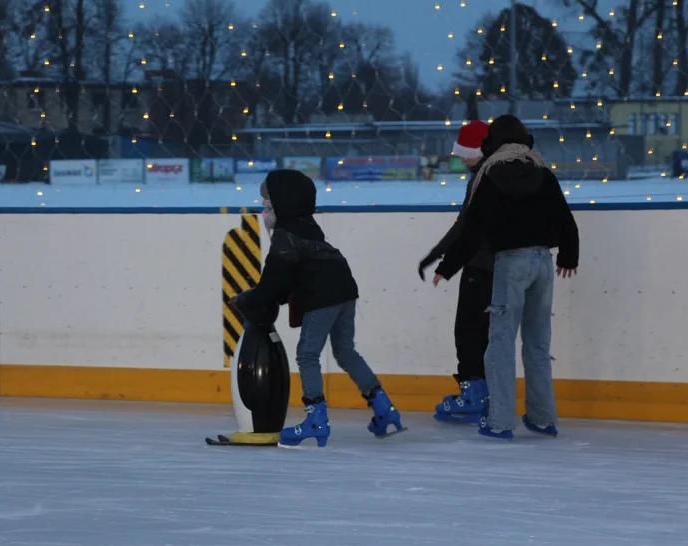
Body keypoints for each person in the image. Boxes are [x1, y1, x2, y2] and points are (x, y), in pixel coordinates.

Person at [233, 168, 405, 448]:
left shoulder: (286, 234)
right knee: (346, 352)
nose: (264, 208)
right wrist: (273, 295)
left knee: (307, 354)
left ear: (283, 203)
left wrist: (250, 300)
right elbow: (291, 276)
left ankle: (316, 419)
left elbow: (274, 279)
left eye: (268, 203)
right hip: (345, 289)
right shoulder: (308, 226)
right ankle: (384, 409)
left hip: (324, 295)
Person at [432, 115, 579, 440]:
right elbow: (566, 220)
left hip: (511, 263)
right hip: (543, 262)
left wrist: (449, 265)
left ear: (493, 143)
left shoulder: (491, 173)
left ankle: (500, 421)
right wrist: (569, 256)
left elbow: (474, 228)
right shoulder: (542, 171)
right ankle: (543, 419)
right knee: (538, 346)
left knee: (499, 344)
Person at [418, 120, 494, 424]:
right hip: (504, 267)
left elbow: (465, 227)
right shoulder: (501, 173)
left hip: (480, 266)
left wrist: (438, 257)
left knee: (468, 332)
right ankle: (489, 395)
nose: (461, 159)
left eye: (465, 153)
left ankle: (474, 396)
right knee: (488, 335)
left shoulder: (483, 178)